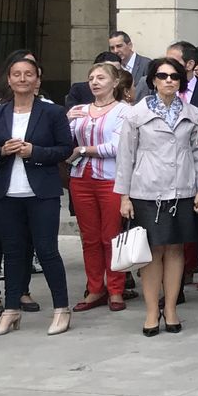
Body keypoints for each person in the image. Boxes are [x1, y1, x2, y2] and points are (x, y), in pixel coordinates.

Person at [115, 56, 198, 338]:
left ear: (181, 81)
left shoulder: (194, 114)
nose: (169, 80)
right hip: (147, 190)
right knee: (153, 252)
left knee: (176, 249)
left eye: (174, 76)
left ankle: (171, 308)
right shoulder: (135, 114)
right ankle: (151, 311)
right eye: (163, 75)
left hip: (181, 189)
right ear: (153, 80)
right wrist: (124, 196)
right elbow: (125, 156)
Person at [0, 54, 72, 336]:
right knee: (13, 253)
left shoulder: (52, 112)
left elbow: (65, 148)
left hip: (42, 193)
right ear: (9, 79)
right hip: (6, 193)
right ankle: (11, 310)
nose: (23, 79)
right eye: (17, 74)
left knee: (47, 250)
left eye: (29, 74)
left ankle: (62, 308)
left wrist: (34, 152)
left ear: (37, 79)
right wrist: (2, 151)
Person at [66, 62, 132, 312]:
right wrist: (64, 120)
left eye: (101, 78)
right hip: (80, 179)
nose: (94, 82)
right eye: (91, 78)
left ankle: (116, 289)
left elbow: (117, 146)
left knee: (111, 236)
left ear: (115, 82)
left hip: (111, 180)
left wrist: (82, 149)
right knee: (89, 238)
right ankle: (95, 288)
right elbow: (63, 140)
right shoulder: (79, 110)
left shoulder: (124, 111)